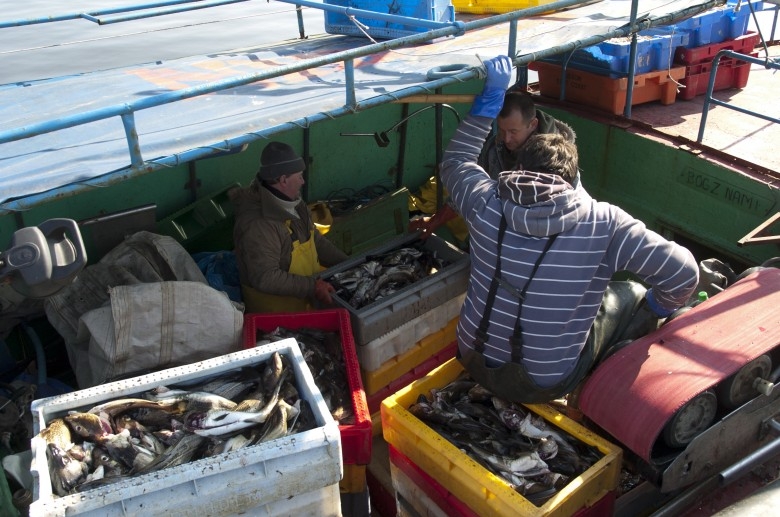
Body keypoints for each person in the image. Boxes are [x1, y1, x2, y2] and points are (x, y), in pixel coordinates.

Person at [441, 55, 700, 404]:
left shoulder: (484, 202)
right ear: (574, 180)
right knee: (630, 293)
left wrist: (490, 101)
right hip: (544, 384)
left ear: (521, 168)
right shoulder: (605, 223)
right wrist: (657, 304)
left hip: (471, 355)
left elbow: (456, 161)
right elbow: (684, 275)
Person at [410, 85, 575, 239]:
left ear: (532, 124)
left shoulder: (556, 160)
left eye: (513, 131)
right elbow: (468, 188)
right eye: (503, 130)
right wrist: (434, 221)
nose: (507, 139)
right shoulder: (494, 146)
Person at [230, 141, 349, 313]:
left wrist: (349, 264)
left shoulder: (295, 203)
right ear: (283, 180)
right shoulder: (258, 225)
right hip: (276, 315)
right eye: (299, 176)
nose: (303, 181)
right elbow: (266, 278)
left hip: (303, 304)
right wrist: (312, 287)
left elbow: (315, 241)